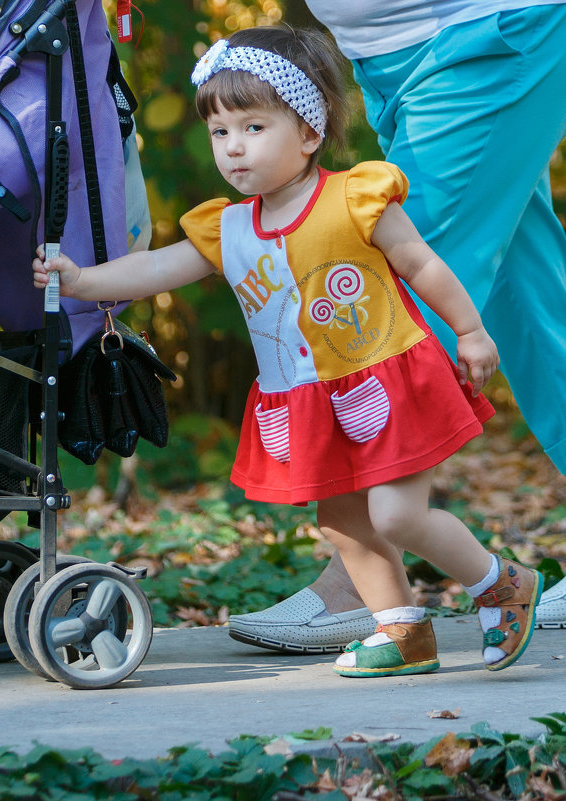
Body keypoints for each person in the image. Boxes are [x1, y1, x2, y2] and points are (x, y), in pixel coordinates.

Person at [34, 25, 544, 676]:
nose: (233, 148)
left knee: (393, 512)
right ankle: (404, 632)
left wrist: (469, 331)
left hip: (388, 379)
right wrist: (81, 281)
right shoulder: (229, 225)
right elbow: (156, 268)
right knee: (343, 522)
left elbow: (422, 263)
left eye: (253, 127)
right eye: (221, 132)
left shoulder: (353, 198)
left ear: (307, 131)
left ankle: (501, 584)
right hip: (307, 396)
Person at [228, 2, 566, 654]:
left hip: (485, 33)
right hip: (388, 52)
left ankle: (363, 576)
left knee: (387, 289)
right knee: (530, 300)